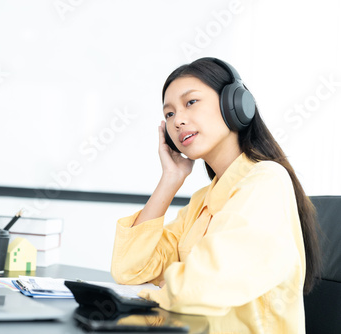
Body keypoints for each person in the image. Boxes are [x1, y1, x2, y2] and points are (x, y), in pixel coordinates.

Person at [110, 57, 321, 333]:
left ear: (234, 104)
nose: (178, 120)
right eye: (169, 114)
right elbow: (130, 269)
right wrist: (170, 179)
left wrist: (147, 296)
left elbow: (205, 285)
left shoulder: (266, 181)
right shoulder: (203, 201)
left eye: (191, 102)